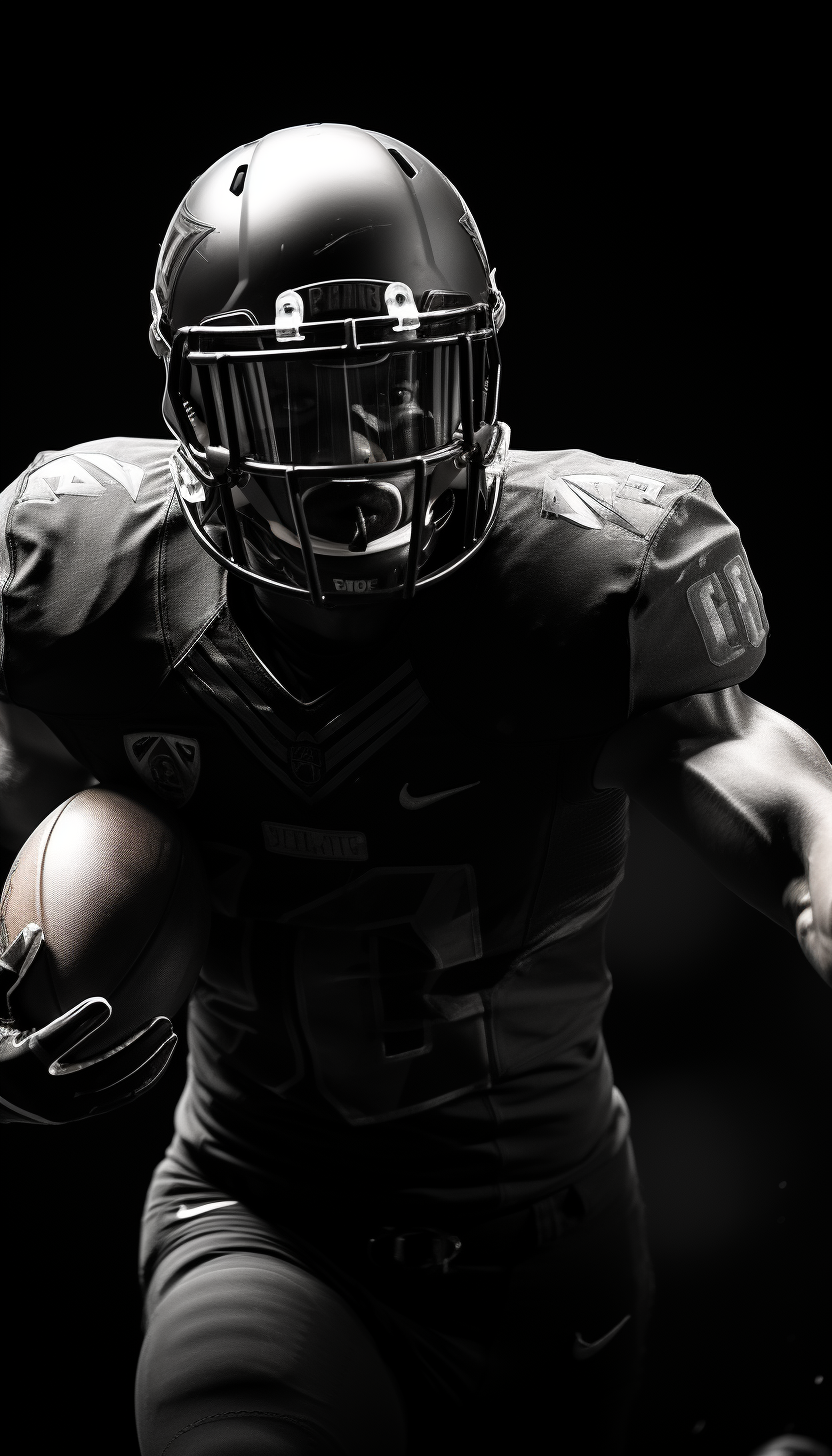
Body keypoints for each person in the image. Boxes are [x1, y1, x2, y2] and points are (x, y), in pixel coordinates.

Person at [0, 123, 829, 1456]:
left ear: (479, 377)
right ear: (197, 417)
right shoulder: (93, 580)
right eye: (301, 400)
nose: (360, 454)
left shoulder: (583, 588)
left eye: (401, 383)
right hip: (262, 1217)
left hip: (554, 1250)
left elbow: (784, 800)